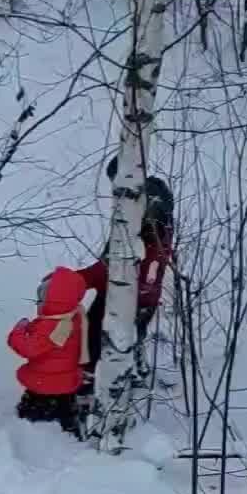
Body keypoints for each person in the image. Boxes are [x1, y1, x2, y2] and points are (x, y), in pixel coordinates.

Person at [80, 159, 175, 380]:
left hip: (135, 289)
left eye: (116, 182)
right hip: (142, 289)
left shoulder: (144, 207)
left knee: (99, 326)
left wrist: (82, 279)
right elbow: (114, 258)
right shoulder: (142, 201)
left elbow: (122, 261)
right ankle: (131, 368)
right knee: (130, 334)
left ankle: (95, 376)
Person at [7, 266, 89, 436]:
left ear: (54, 300)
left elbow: (28, 348)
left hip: (44, 383)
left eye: (44, 297)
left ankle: (32, 434)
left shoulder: (54, 326)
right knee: (64, 409)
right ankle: (69, 428)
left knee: (34, 412)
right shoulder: (74, 315)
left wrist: (19, 330)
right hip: (66, 381)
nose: (40, 301)